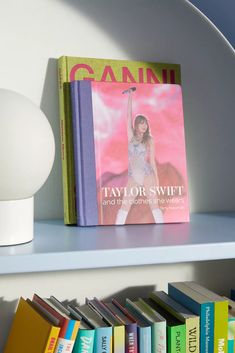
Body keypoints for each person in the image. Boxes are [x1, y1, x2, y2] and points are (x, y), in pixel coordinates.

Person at [115, 87, 164, 224]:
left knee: (154, 204)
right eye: (141, 123)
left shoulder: (149, 139)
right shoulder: (131, 136)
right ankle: (116, 228)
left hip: (147, 174)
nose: (144, 126)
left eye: (146, 124)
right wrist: (130, 96)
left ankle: (162, 227)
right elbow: (128, 116)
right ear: (136, 125)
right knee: (125, 205)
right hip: (134, 176)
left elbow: (152, 162)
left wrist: (157, 181)